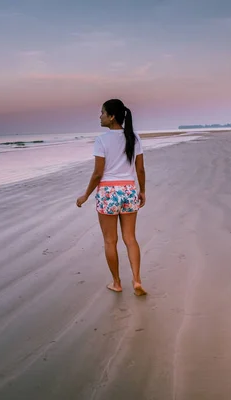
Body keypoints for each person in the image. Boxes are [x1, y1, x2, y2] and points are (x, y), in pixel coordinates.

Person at [76, 99, 147, 296]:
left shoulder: (101, 140)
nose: (100, 116)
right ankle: (137, 280)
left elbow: (98, 174)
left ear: (112, 116)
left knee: (110, 241)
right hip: (129, 190)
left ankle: (117, 283)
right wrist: (142, 191)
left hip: (108, 193)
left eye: (102, 113)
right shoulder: (134, 137)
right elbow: (140, 169)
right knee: (130, 239)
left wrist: (85, 195)